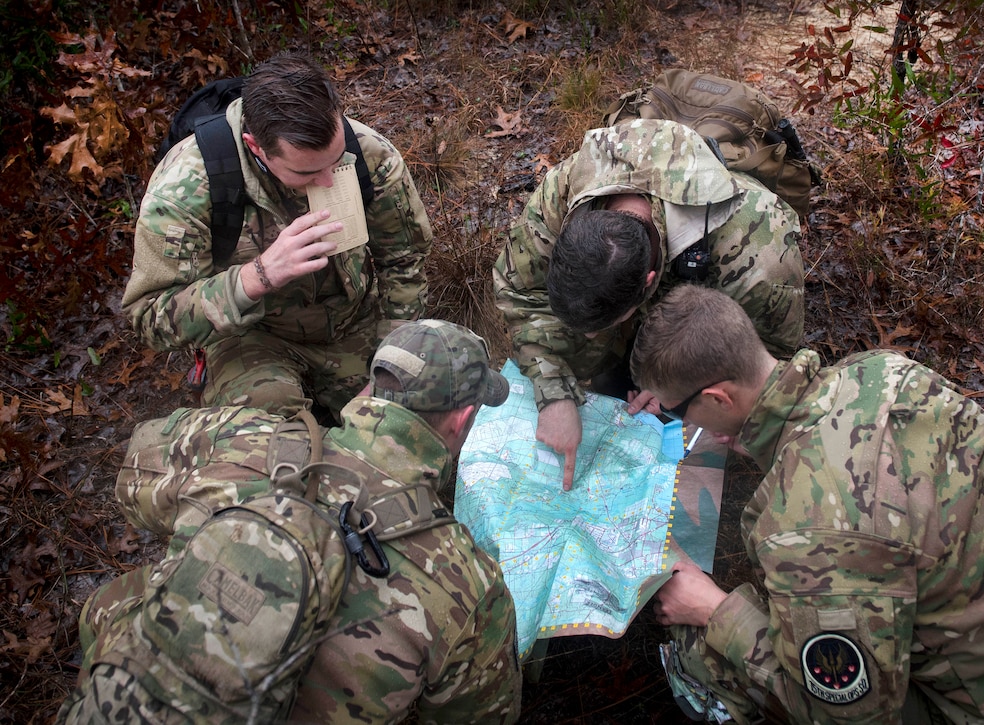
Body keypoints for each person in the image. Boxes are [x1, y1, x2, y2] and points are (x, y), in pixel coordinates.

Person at [629, 284, 984, 724]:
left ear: (717, 398)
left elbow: (844, 716)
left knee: (703, 649)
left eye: (677, 410)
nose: (678, 420)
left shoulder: (805, 530)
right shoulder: (877, 370)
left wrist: (713, 610)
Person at [60, 320, 522, 723]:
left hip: (144, 697)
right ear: (462, 422)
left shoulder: (237, 434)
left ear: (370, 389)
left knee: (108, 603)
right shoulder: (474, 586)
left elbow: (133, 489)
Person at [493, 118, 804, 490]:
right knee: (586, 363)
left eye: (601, 327)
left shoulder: (756, 253)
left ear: (649, 283)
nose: (588, 336)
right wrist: (553, 390)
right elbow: (519, 292)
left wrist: (686, 396)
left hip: (721, 284)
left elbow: (767, 359)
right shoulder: (561, 196)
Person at [123, 52, 433, 418]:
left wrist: (391, 354)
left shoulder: (368, 154)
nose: (329, 180)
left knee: (412, 421)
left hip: (354, 323)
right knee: (271, 445)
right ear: (257, 148)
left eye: (336, 162)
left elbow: (405, 259)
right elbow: (150, 319)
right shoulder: (186, 189)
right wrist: (256, 277)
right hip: (252, 339)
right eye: (308, 173)